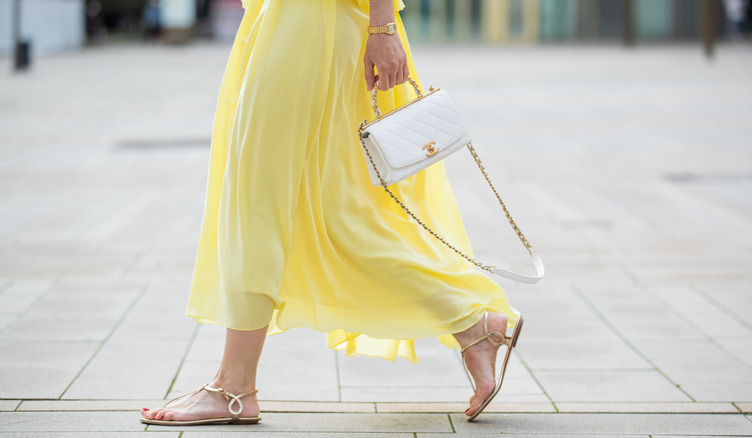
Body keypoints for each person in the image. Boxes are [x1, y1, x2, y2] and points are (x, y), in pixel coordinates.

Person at [140, 0, 523, 426]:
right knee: (330, 211)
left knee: (261, 203)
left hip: (307, 26)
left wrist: (383, 27)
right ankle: (473, 324)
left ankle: (234, 385)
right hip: (298, 23)